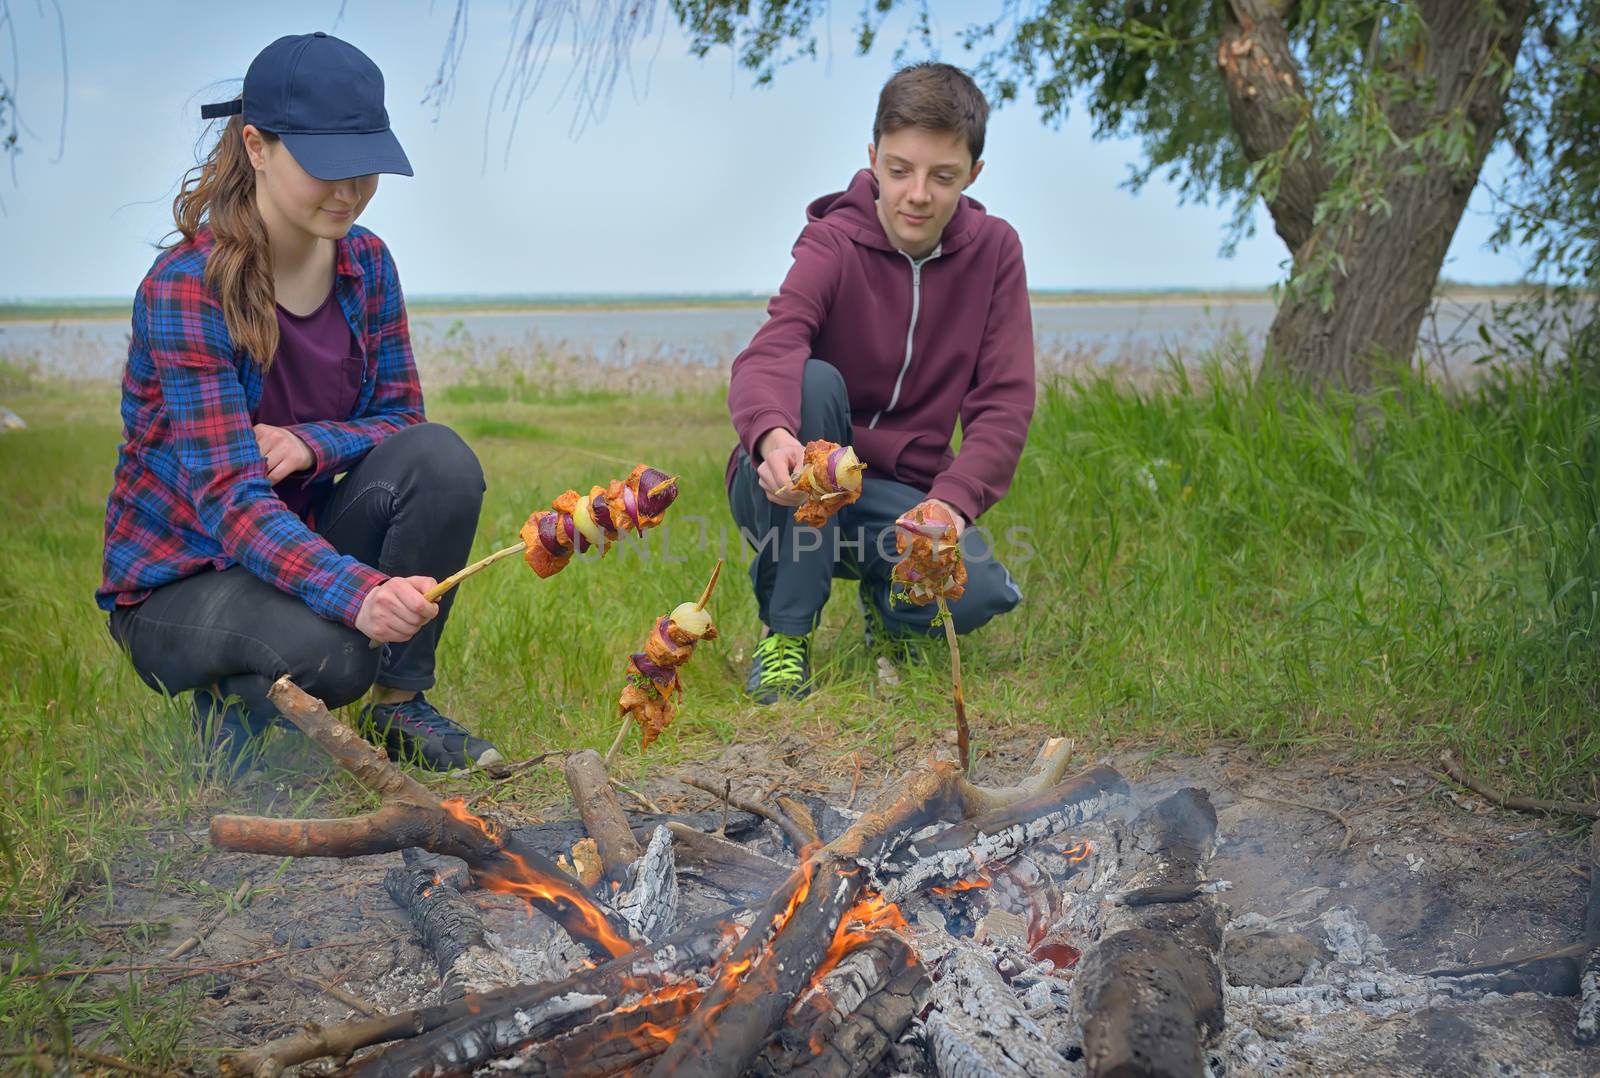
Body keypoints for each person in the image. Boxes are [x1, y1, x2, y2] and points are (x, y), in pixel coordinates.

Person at [97, 33, 501, 771]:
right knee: (343, 654)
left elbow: (402, 419)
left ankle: (400, 708)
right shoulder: (186, 286)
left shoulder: (368, 262)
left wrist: (313, 443)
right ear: (256, 145)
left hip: (292, 547)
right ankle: (225, 719)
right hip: (184, 582)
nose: (349, 191)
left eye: (365, 168)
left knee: (440, 459)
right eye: (326, 168)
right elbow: (232, 502)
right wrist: (359, 595)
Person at [726, 62, 1034, 704]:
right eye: (899, 170)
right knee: (811, 381)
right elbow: (774, 346)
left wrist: (950, 504)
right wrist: (773, 434)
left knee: (978, 592)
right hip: (792, 485)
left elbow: (1003, 402)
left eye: (942, 176)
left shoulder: (997, 252)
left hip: (901, 496)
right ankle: (785, 638)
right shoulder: (833, 241)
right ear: (872, 158)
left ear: (973, 174)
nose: (917, 194)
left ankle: (890, 612)